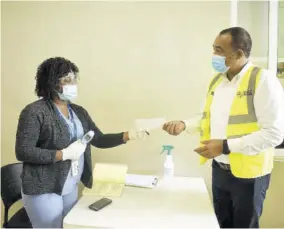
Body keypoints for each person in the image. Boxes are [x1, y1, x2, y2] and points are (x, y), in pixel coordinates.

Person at [163, 27, 284, 228]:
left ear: (238, 54)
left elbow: (274, 134)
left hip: (249, 176)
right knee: (220, 224)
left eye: (219, 50)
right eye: (214, 49)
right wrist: (184, 124)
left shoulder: (263, 80)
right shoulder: (217, 81)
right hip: (219, 169)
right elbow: (205, 118)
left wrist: (225, 146)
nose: (214, 56)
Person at [15, 57, 148, 228]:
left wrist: (130, 135)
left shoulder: (78, 111)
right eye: (67, 80)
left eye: (74, 79)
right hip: (43, 187)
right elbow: (23, 151)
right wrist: (62, 154)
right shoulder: (34, 112)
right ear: (51, 83)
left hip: (70, 184)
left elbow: (99, 139)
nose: (73, 83)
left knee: (71, 225)